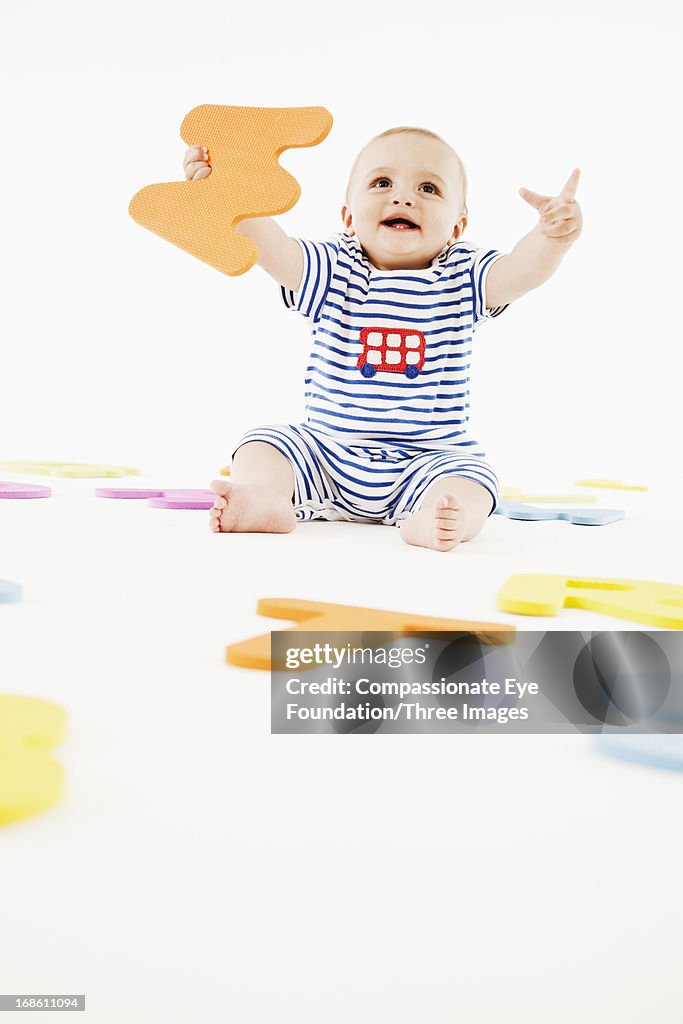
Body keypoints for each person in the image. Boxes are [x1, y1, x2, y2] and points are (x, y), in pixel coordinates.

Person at [183, 127, 582, 551]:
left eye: (428, 188)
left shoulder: (463, 278)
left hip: (427, 463)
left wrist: (550, 238)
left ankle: (435, 519)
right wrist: (224, 191)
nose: (403, 198)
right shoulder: (335, 269)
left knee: (475, 481)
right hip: (326, 454)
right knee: (263, 444)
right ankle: (267, 497)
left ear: (457, 227)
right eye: (382, 183)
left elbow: (519, 271)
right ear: (348, 217)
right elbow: (272, 247)